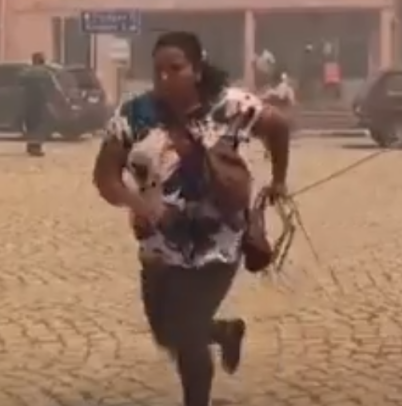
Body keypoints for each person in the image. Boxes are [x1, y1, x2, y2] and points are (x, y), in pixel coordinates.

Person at [90, 31, 292, 406]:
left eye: (175, 68)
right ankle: (224, 332)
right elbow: (105, 177)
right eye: (158, 70)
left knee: (186, 334)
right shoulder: (134, 114)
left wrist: (278, 180)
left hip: (218, 242)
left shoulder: (229, 107)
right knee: (166, 332)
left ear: (196, 70)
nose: (165, 77)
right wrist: (137, 202)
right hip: (158, 244)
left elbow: (278, 126)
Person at [20, 53, 52, 157]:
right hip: (40, 102)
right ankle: (36, 148)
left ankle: (30, 146)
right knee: (39, 125)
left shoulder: (26, 72)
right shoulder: (45, 73)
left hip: (28, 102)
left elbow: (19, 83)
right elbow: (51, 86)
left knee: (30, 125)